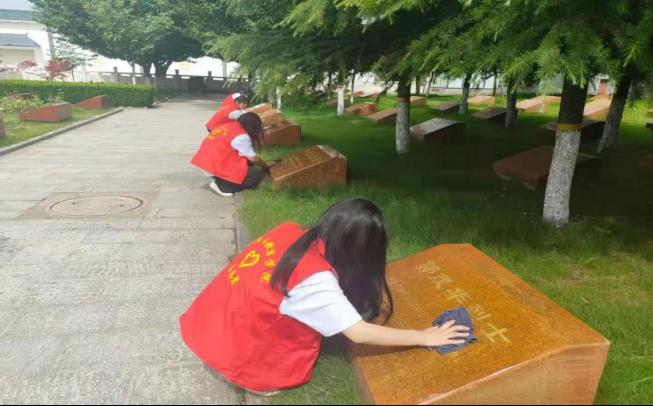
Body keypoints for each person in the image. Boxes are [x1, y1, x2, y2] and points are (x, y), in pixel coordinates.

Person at [179, 198, 470, 395]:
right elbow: (359, 333)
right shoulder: (314, 279)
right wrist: (424, 337)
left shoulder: (290, 231)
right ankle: (251, 377)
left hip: (211, 324)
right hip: (237, 352)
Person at [191, 112, 273, 197]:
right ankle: (222, 186)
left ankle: (223, 180)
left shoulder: (229, 126)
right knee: (257, 176)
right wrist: (266, 165)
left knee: (248, 167)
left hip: (206, 161)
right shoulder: (242, 136)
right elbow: (253, 158)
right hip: (215, 165)